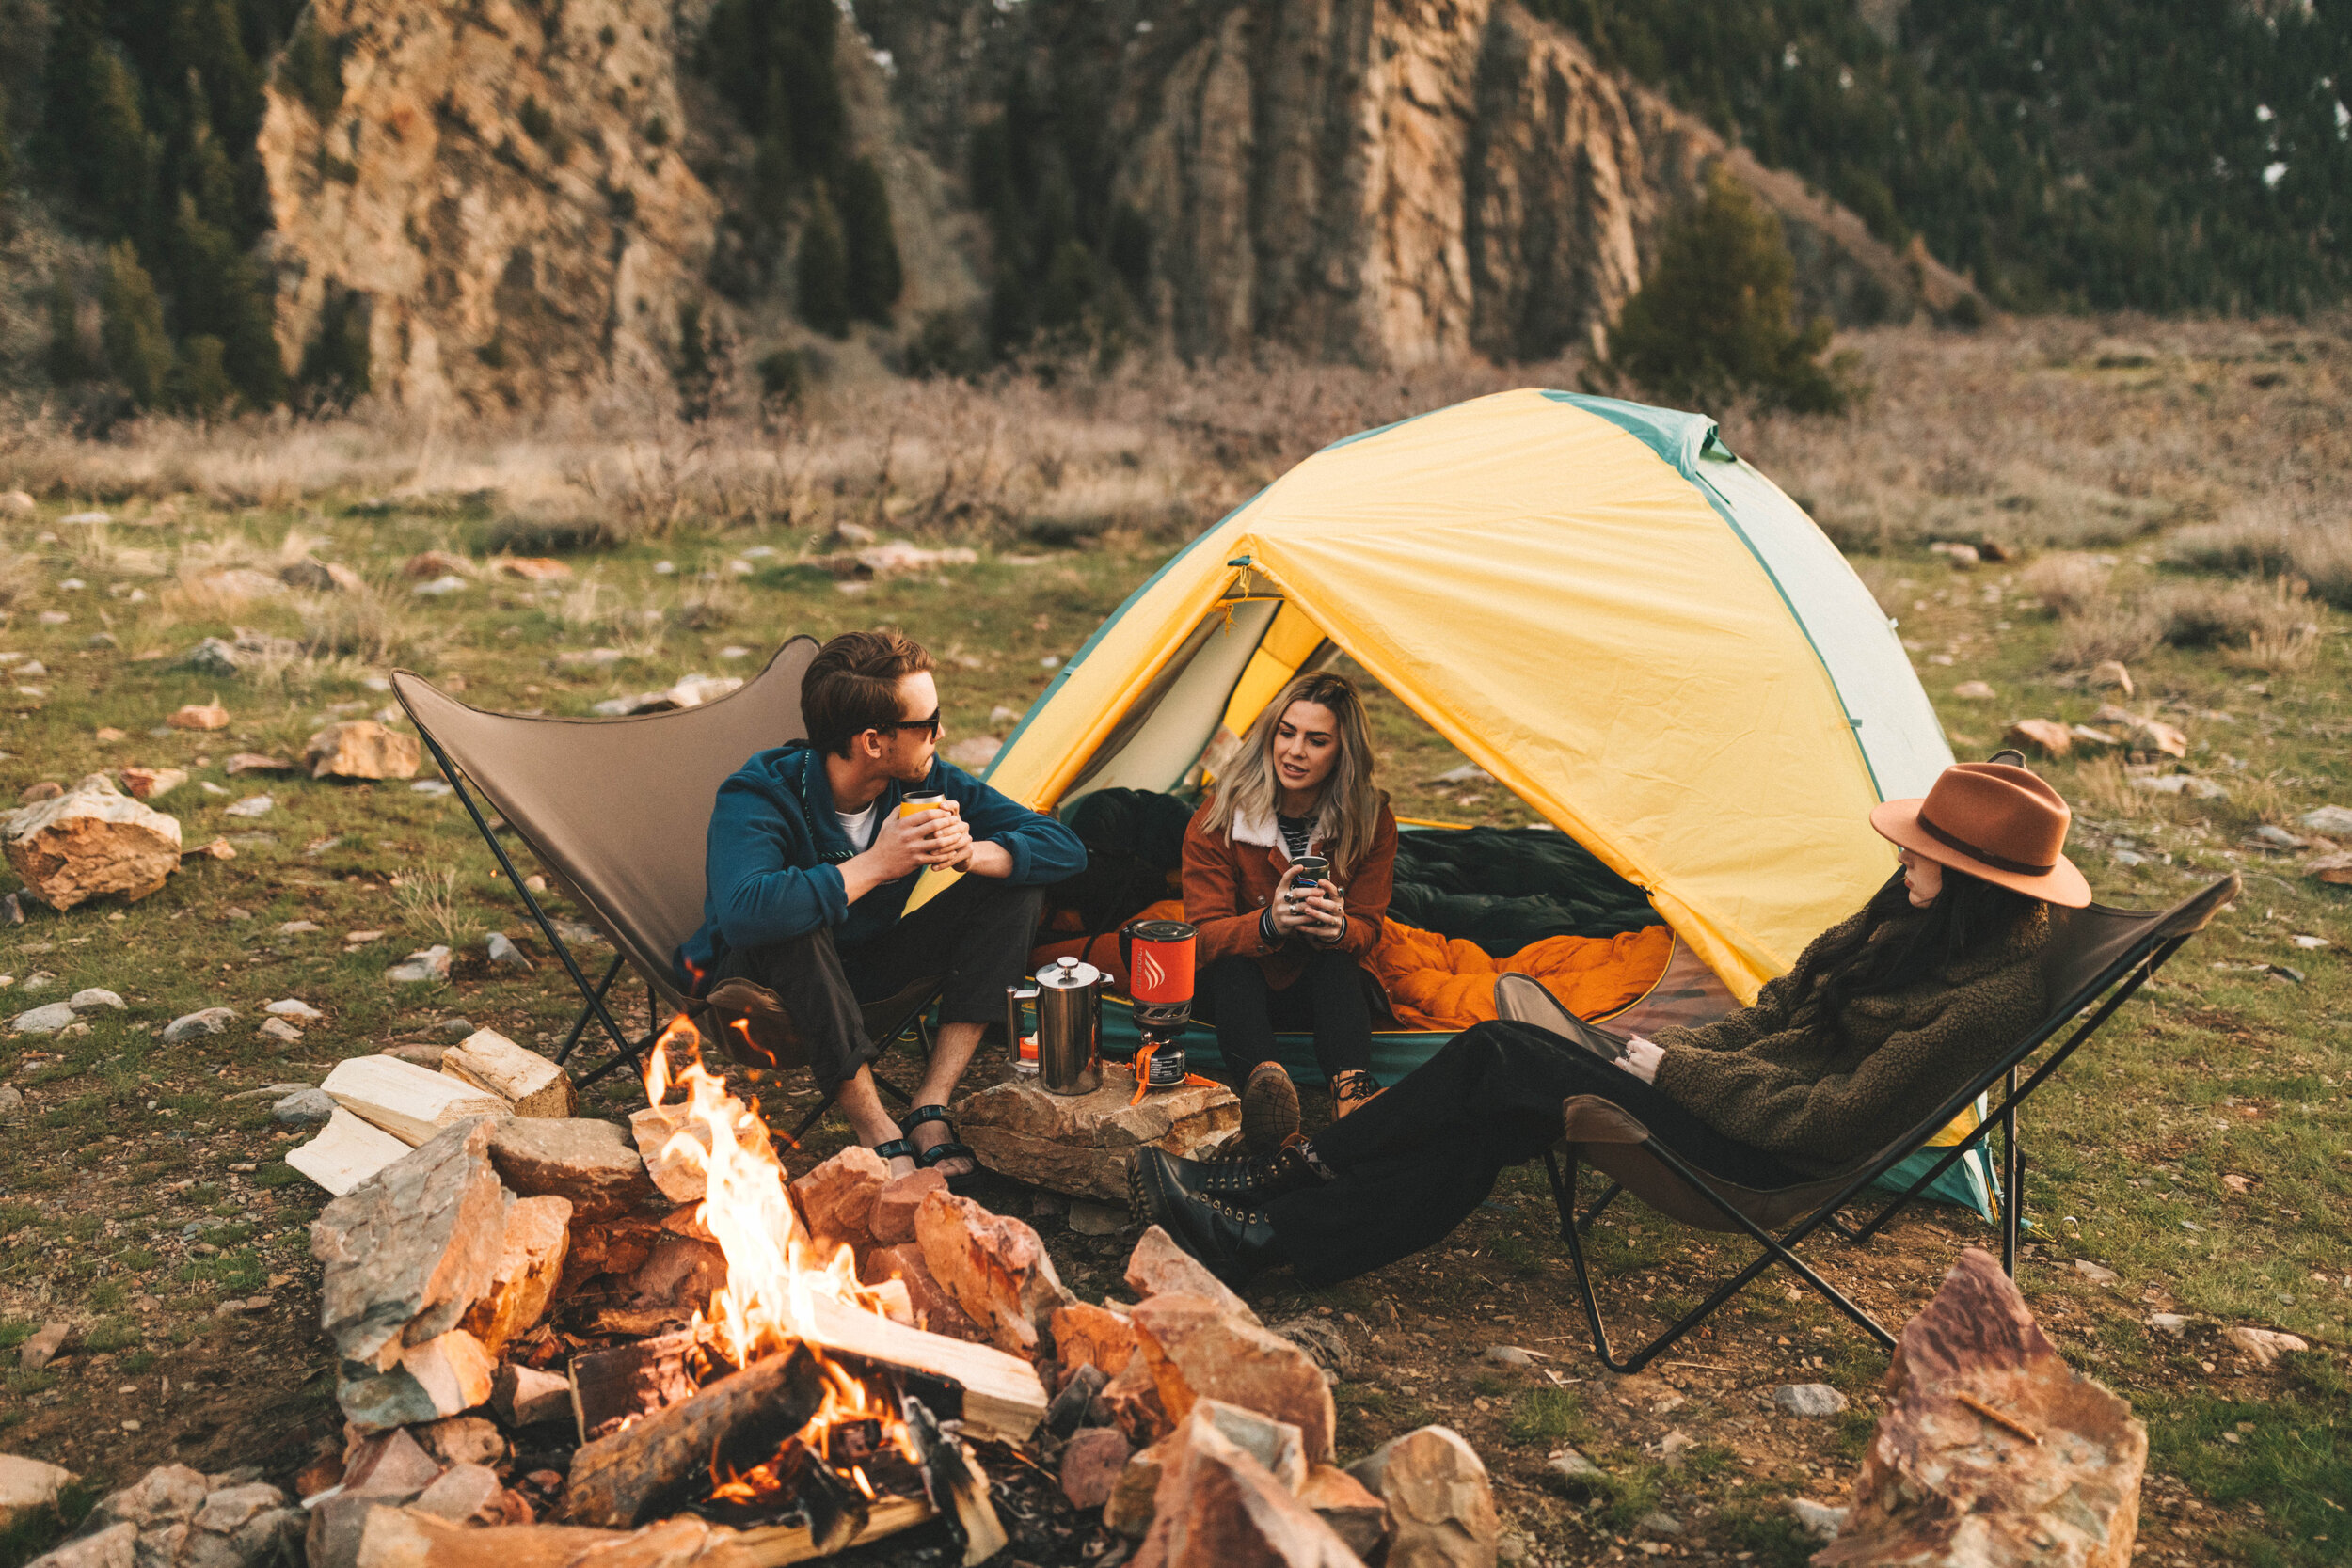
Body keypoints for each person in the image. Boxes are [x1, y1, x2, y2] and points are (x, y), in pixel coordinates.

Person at [1131, 761, 2090, 1284]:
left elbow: (1829, 1120)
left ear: (1970, 881)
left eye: (1922, 852)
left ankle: (1272, 1189)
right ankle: (1280, 1234)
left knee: (1501, 1055)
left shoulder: (1986, 998)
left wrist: (1668, 1075)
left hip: (1754, 1153)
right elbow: (1773, 1012)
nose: (1903, 859)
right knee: (1498, 1101)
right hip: (1709, 1093)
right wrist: (1664, 1051)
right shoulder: (1902, 918)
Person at [676, 630, 1087, 1182]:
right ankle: (877, 1129)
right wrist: (876, 864)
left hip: (868, 970)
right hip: (759, 986)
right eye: (928, 723)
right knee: (792, 916)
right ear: (874, 741)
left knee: (1013, 882)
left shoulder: (921, 782)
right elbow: (746, 912)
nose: (942, 732)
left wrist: (972, 852)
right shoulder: (760, 792)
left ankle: (929, 1107)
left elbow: (1065, 848)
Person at [1183, 671, 1399, 1152]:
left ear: (1343, 753)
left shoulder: (1370, 818)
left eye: (1316, 740)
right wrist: (1268, 923)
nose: (1295, 751)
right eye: (1286, 732)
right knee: (1234, 967)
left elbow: (1369, 925)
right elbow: (1201, 936)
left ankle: (1353, 1095)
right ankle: (1267, 1097)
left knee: (1339, 963)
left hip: (1321, 986)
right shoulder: (1219, 814)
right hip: (1239, 992)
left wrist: (1338, 927)